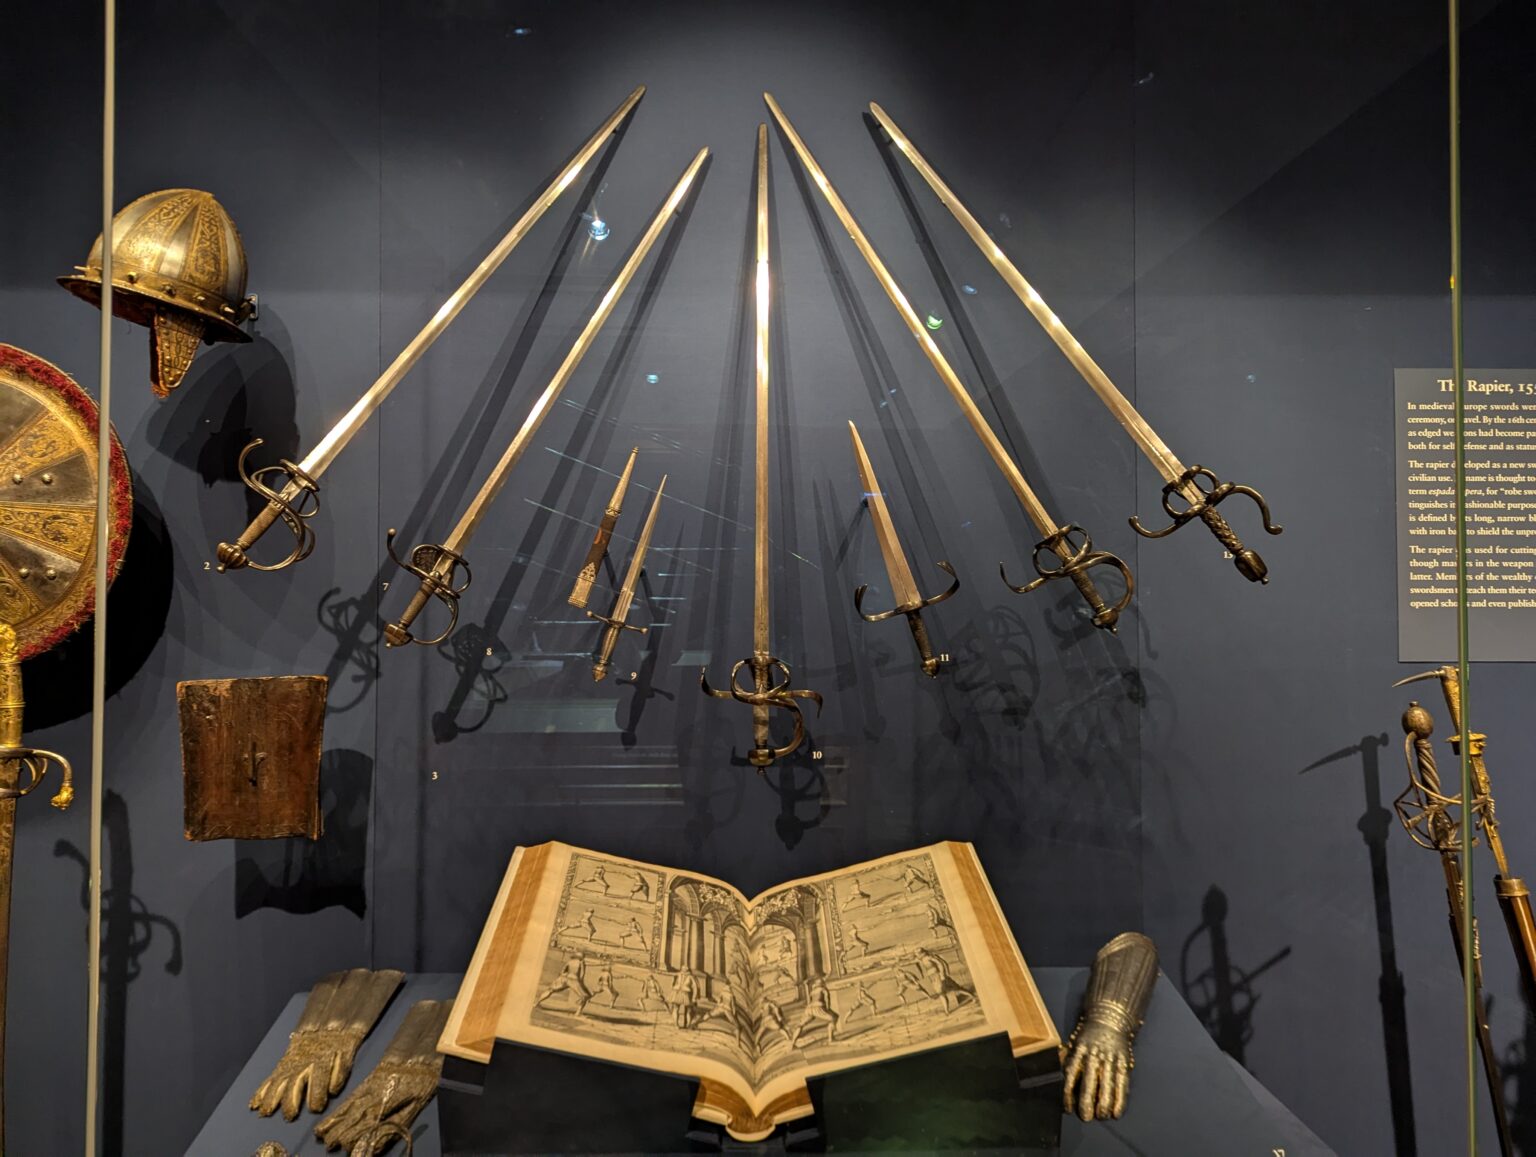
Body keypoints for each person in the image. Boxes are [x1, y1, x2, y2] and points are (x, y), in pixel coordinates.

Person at [792, 978, 837, 1047]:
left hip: (809, 1009)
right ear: (822, 983)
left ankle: (793, 1043)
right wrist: (827, 1009)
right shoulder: (823, 989)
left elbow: (809, 1001)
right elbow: (827, 1000)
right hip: (818, 1007)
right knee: (834, 1018)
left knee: (801, 1025)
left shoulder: (813, 991)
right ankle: (831, 1039)